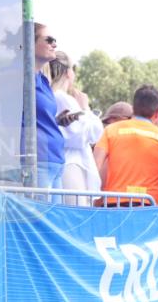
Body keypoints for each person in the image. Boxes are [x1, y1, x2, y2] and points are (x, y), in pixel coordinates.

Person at [94, 84, 158, 205]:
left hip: (114, 203)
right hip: (149, 206)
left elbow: (95, 167)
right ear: (157, 113)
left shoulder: (110, 131)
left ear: (133, 108)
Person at [47, 51, 103, 205]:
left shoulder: (50, 96)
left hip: (63, 161)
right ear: (67, 73)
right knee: (76, 212)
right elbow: (89, 134)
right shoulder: (63, 98)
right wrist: (85, 108)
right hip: (72, 163)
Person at [28, 23, 66, 192]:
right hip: (37, 161)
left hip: (55, 160)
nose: (54, 45)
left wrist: (56, 121)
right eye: (49, 40)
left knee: (52, 217)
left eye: (55, 40)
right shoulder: (16, 75)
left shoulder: (43, 80)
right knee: (39, 217)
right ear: (29, 42)